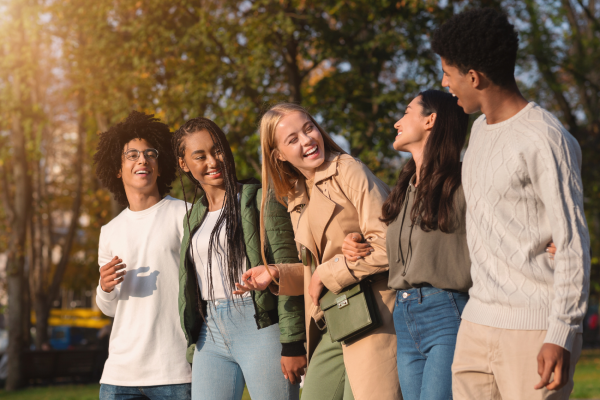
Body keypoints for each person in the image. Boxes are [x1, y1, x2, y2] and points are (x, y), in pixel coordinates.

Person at [431, 8, 591, 400]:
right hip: (475, 324)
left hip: (534, 331)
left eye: (448, 73)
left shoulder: (545, 138)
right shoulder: (479, 132)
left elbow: (572, 243)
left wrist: (561, 333)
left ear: (474, 77)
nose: (443, 82)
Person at [235, 103, 402, 400]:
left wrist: (327, 270)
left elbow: (392, 244)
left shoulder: (348, 169)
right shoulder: (297, 193)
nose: (307, 140)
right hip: (332, 320)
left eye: (308, 128)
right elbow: (316, 276)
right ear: (278, 155)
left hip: (374, 314)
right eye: (293, 139)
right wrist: (275, 273)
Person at [343, 90, 470, 400]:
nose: (397, 123)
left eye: (407, 111)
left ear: (431, 119)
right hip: (404, 314)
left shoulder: (464, 180)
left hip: (447, 312)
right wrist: (355, 242)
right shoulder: (405, 186)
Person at [173, 117, 306, 400]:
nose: (213, 161)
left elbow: (286, 268)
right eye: (200, 156)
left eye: (217, 149)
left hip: (258, 325)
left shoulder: (260, 198)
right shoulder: (193, 217)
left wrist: (293, 343)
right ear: (184, 164)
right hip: (209, 333)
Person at [94, 111, 191, 400]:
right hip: (118, 377)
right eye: (132, 155)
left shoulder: (183, 215)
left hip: (174, 372)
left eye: (150, 153)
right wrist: (105, 287)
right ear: (117, 168)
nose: (142, 159)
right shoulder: (109, 231)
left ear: (160, 167)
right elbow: (108, 309)